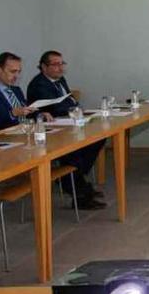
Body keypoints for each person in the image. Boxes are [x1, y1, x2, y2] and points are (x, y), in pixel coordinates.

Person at [27, 50, 106, 209]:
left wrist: (77, 108)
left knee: (98, 137)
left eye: (62, 63)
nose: (60, 68)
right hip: (51, 130)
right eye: (55, 64)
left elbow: (69, 100)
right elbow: (57, 107)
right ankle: (78, 190)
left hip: (67, 123)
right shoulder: (39, 84)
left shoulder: (60, 79)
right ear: (44, 67)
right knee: (74, 152)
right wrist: (74, 108)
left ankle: (71, 178)